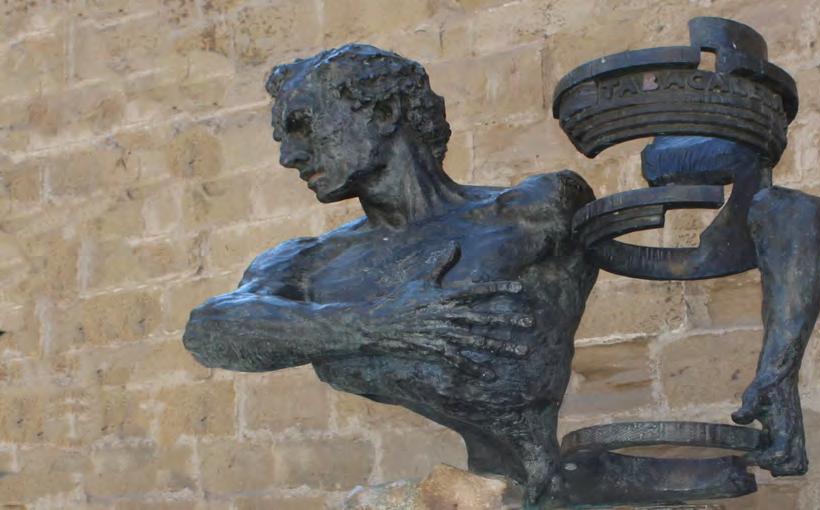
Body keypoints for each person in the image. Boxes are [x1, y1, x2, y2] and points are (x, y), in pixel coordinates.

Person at [182, 44, 597, 504]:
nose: (289, 156)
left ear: (383, 113)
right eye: (283, 138)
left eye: (303, 126)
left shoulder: (532, 211)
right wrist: (373, 326)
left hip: (536, 476)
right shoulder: (310, 261)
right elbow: (208, 329)